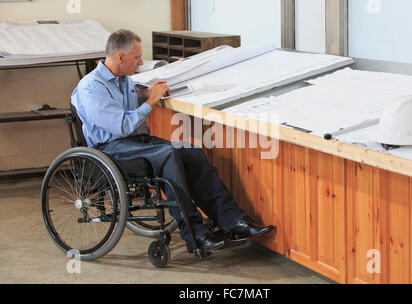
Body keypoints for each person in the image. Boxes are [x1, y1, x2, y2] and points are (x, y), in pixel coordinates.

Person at [71, 29, 273, 255]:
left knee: (190, 150)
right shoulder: (91, 87)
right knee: (167, 153)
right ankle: (195, 234)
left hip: (138, 142)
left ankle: (232, 220)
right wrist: (151, 103)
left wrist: (143, 95)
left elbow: (122, 109)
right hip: (111, 149)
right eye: (137, 57)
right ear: (120, 57)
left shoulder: (124, 80)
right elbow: (121, 126)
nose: (140, 62)